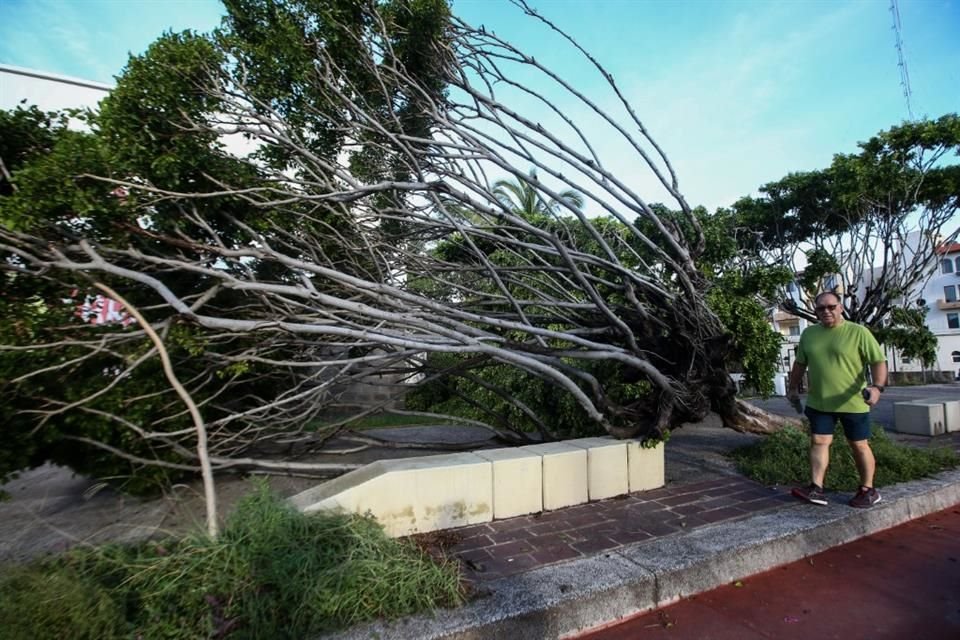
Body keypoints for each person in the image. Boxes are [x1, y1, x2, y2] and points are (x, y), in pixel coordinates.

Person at [786, 291, 888, 508]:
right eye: (821, 308)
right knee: (819, 442)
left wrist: (877, 388)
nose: (826, 311)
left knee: (859, 445)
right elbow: (800, 364)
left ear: (840, 307)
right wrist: (792, 388)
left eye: (831, 306)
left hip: (853, 402)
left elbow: (878, 361)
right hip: (820, 402)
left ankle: (868, 490)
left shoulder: (858, 332)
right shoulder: (809, 334)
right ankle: (816, 488)